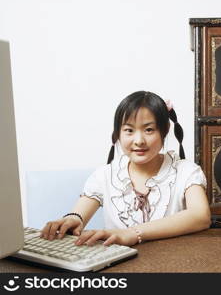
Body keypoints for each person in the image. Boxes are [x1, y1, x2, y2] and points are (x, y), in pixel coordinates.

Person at [41, 91, 211, 246]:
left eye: (149, 130)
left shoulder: (186, 171)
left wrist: (133, 234)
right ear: (118, 134)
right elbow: (78, 214)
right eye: (129, 130)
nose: (139, 140)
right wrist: (72, 220)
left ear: (164, 131)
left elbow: (200, 216)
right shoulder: (104, 176)